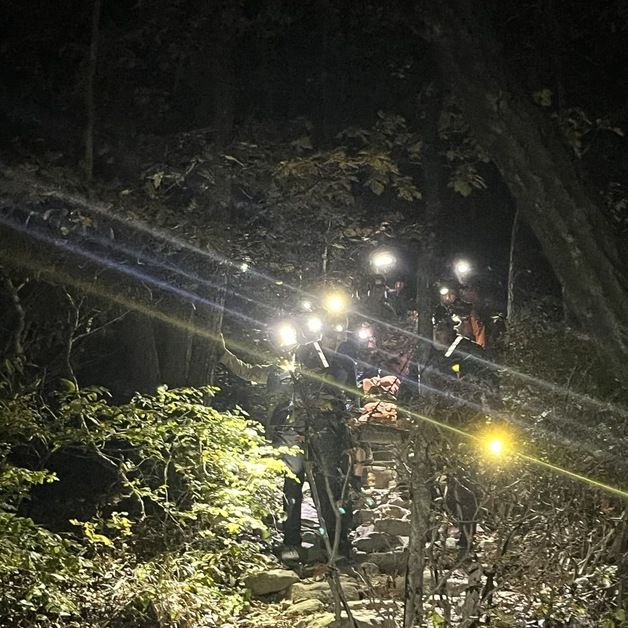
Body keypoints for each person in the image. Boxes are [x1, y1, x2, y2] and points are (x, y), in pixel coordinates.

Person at [217, 332, 355, 563]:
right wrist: (223, 353)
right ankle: (292, 542)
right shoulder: (281, 372)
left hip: (323, 438)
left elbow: (349, 402)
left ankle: (334, 543)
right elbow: (249, 372)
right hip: (290, 438)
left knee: (327, 487)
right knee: (292, 489)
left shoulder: (336, 370)